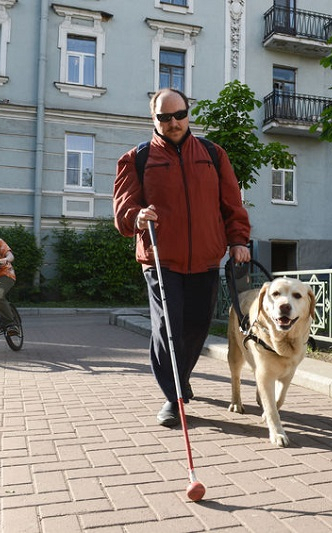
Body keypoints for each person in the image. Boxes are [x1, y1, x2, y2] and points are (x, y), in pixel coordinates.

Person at [113, 88, 252, 427]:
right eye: (164, 117)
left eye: (179, 115)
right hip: (162, 259)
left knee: (196, 327)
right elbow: (122, 210)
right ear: (154, 119)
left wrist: (238, 240)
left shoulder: (212, 154)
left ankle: (181, 378)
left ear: (188, 113)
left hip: (205, 258)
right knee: (168, 329)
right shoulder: (138, 158)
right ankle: (173, 398)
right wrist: (137, 215)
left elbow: (232, 204)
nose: (173, 122)